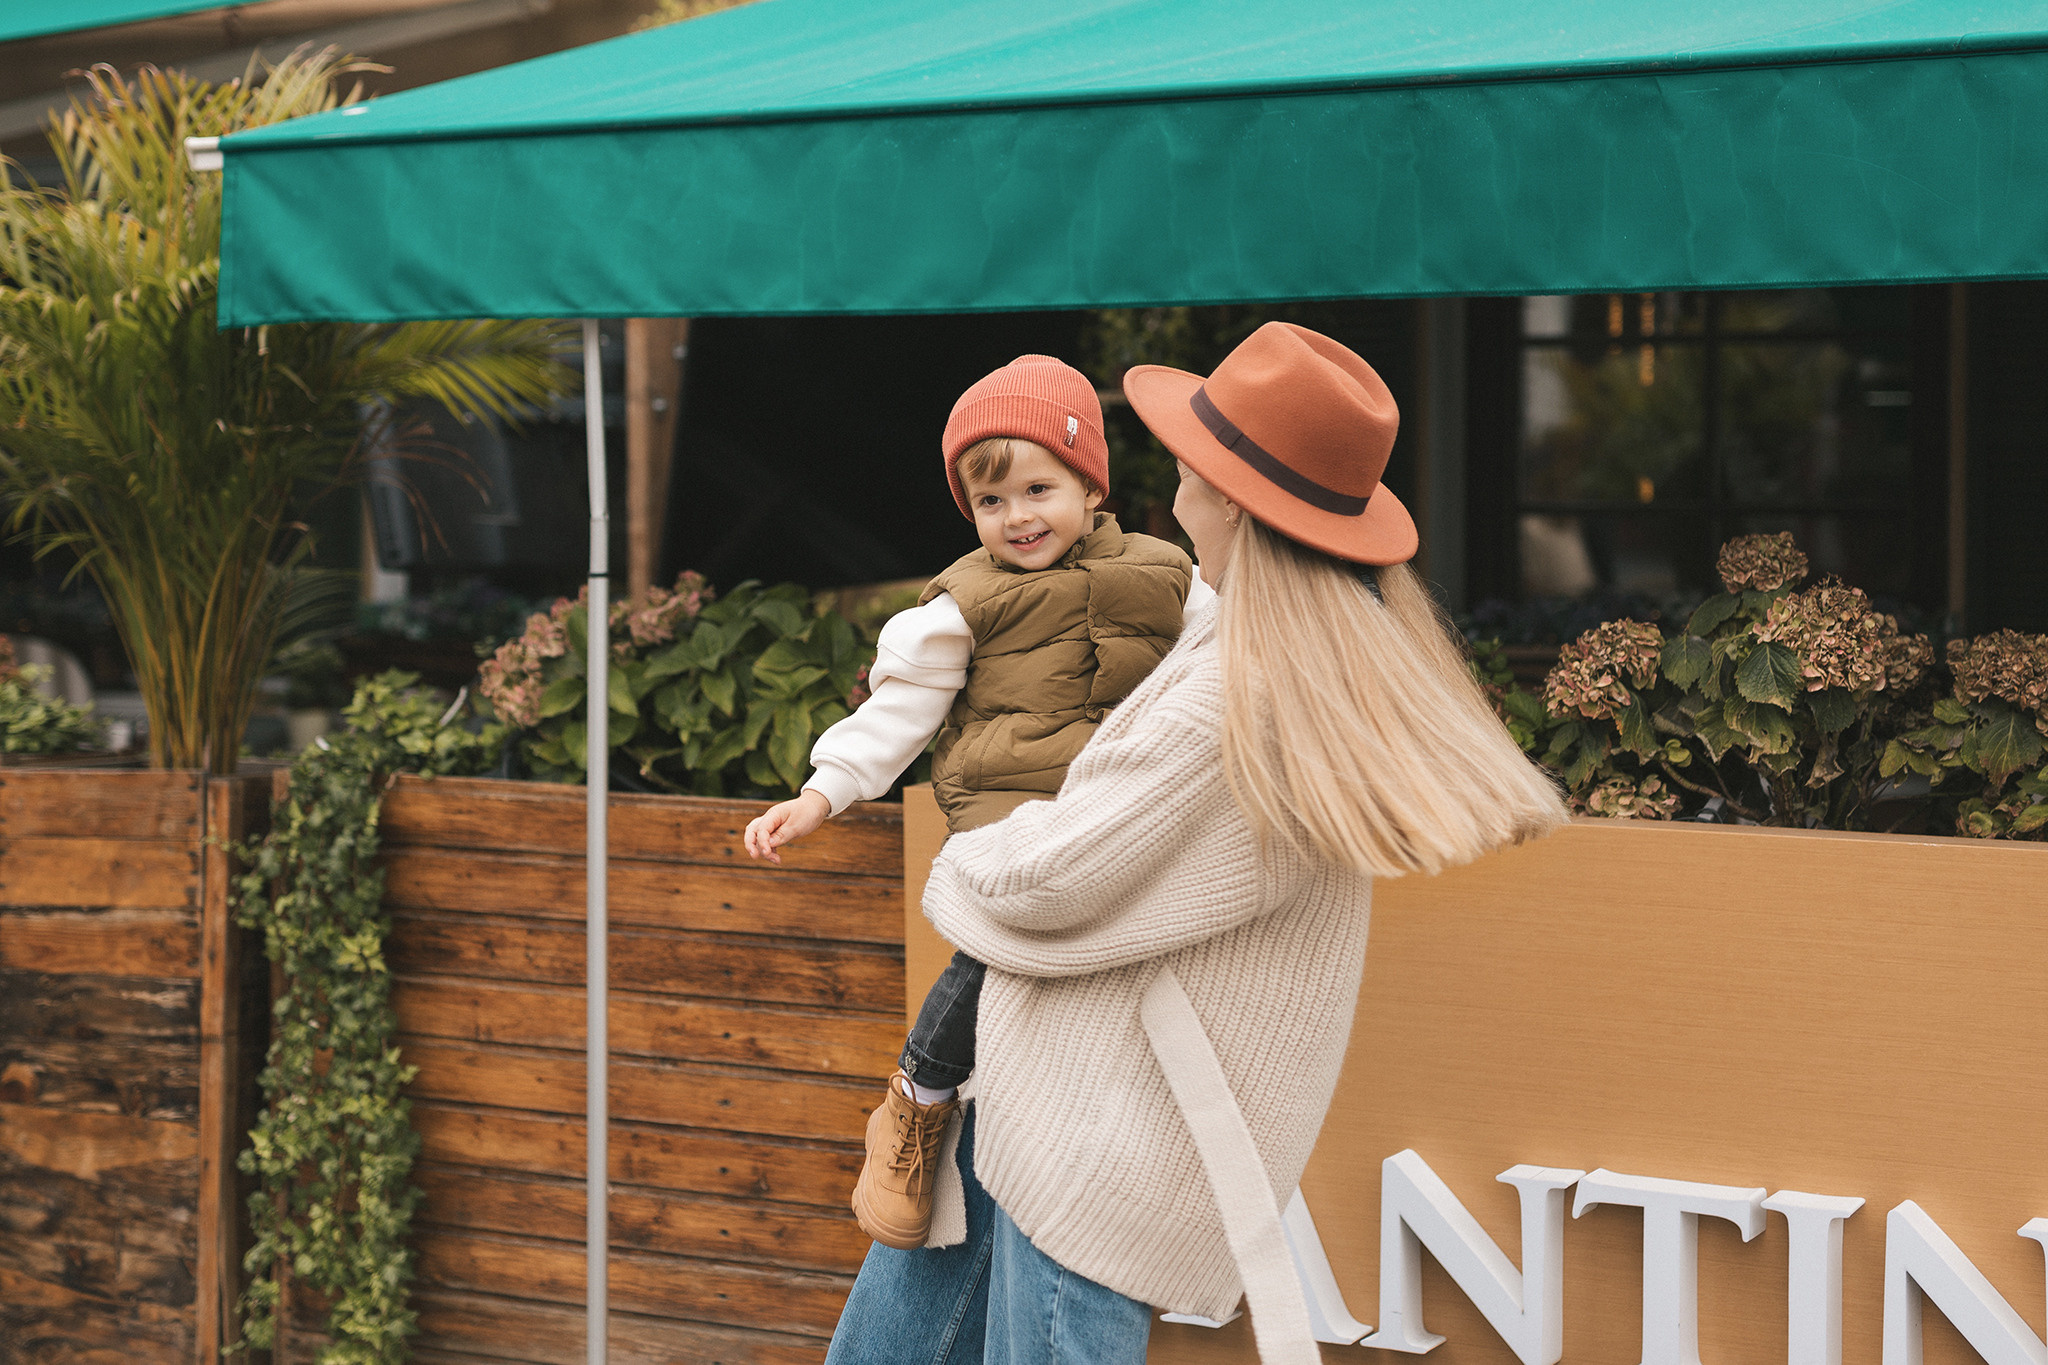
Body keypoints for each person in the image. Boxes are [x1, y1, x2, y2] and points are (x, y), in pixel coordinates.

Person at [820, 322, 1569, 1365]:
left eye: (1189, 453)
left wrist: (964, 856)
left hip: (1090, 1134)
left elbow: (1045, 878)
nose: (1169, 469)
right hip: (1069, 1111)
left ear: (1222, 495)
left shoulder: (1232, 688)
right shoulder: (1271, 642)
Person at [743, 354, 1210, 1250]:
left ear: (1090, 483)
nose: (1016, 517)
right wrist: (822, 792)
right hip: (1018, 821)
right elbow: (898, 712)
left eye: (1038, 488)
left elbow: (1235, 657)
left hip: (1125, 819)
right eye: (989, 502)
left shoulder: (1168, 575)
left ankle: (1111, 1127)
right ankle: (917, 1099)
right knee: (994, 958)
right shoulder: (965, 604)